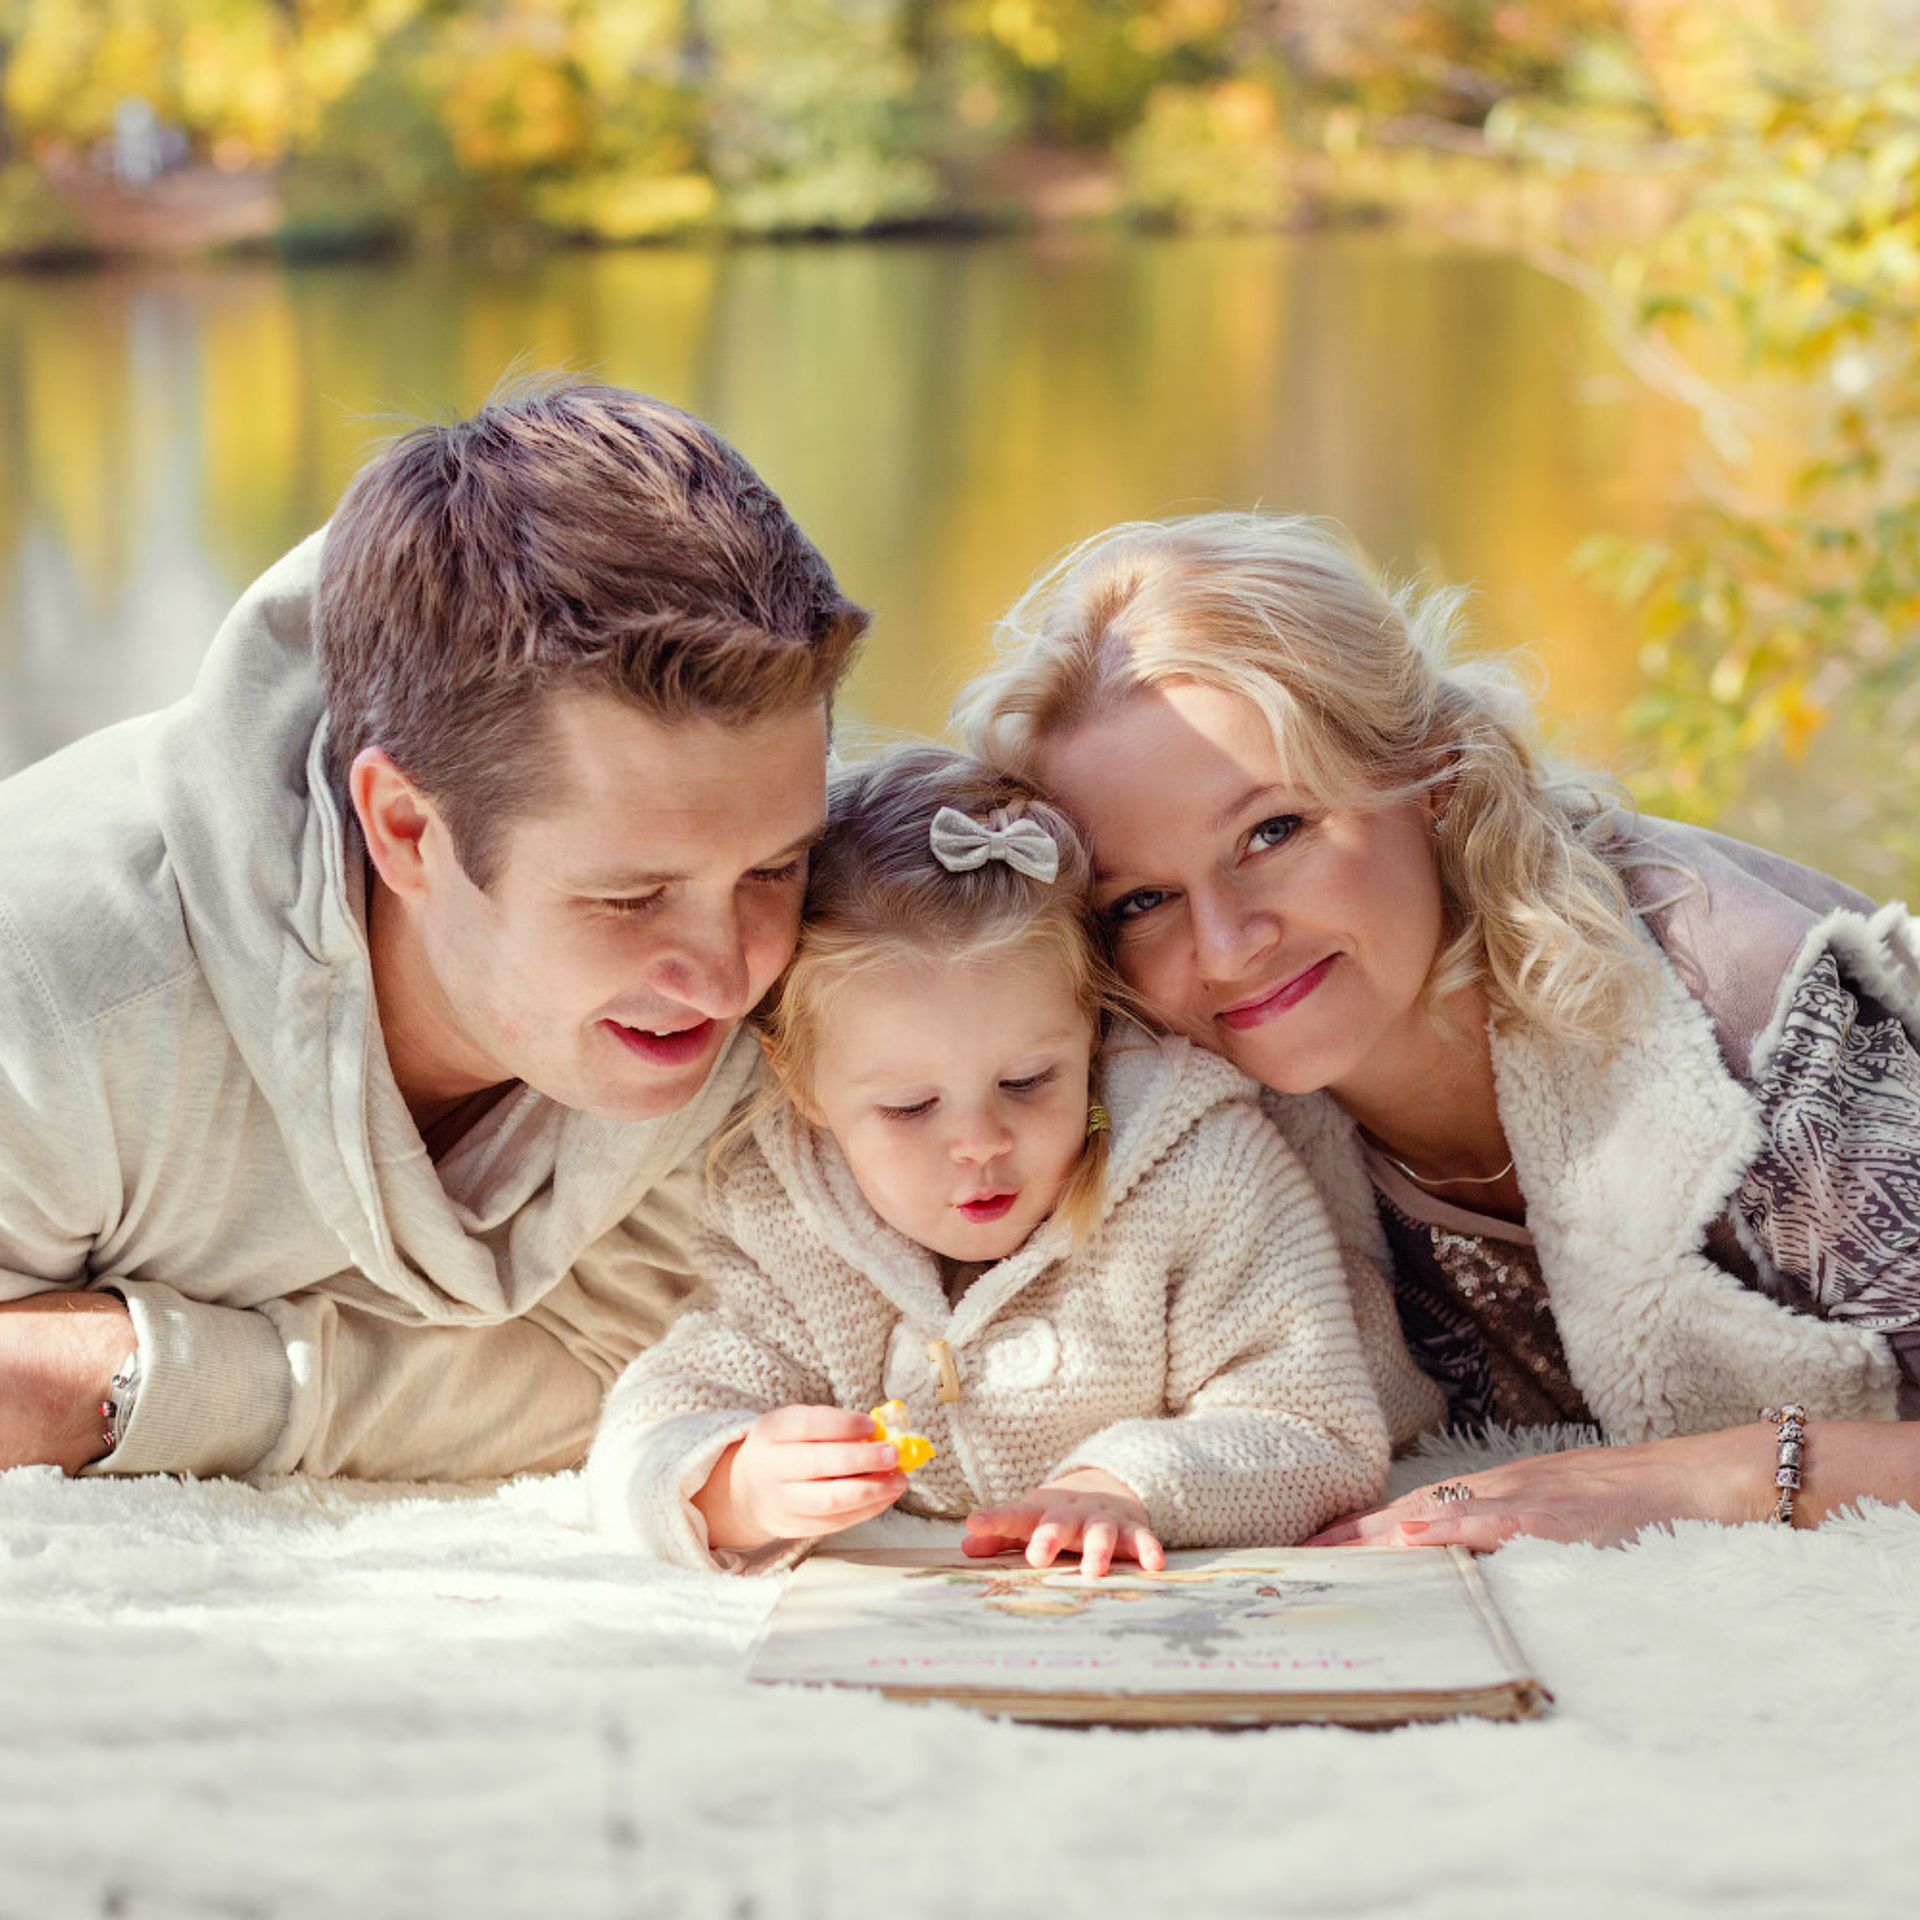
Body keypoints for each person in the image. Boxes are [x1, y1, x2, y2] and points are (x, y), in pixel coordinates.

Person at [955, 511, 1920, 1550]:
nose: (1229, 946)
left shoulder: (1766, 1008)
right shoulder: (1171, 1105)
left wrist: (1717, 1477)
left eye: (1272, 833)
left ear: (1435, 781)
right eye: (1141, 900)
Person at [0, 378, 866, 1482]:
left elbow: (625, 1375)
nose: (731, 970)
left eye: (773, 869)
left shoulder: (837, 959)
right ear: (405, 829)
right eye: (629, 896)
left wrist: (146, 1380)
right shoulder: (47, 988)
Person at [587, 744, 1396, 1575]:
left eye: (1027, 1080)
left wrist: (1126, 1485)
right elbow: (652, 1423)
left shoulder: (1203, 1171)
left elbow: (1315, 1425)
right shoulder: (788, 1216)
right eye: (910, 1107)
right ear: (805, 1086)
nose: (979, 1141)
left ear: (1093, 1035)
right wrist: (736, 1485)